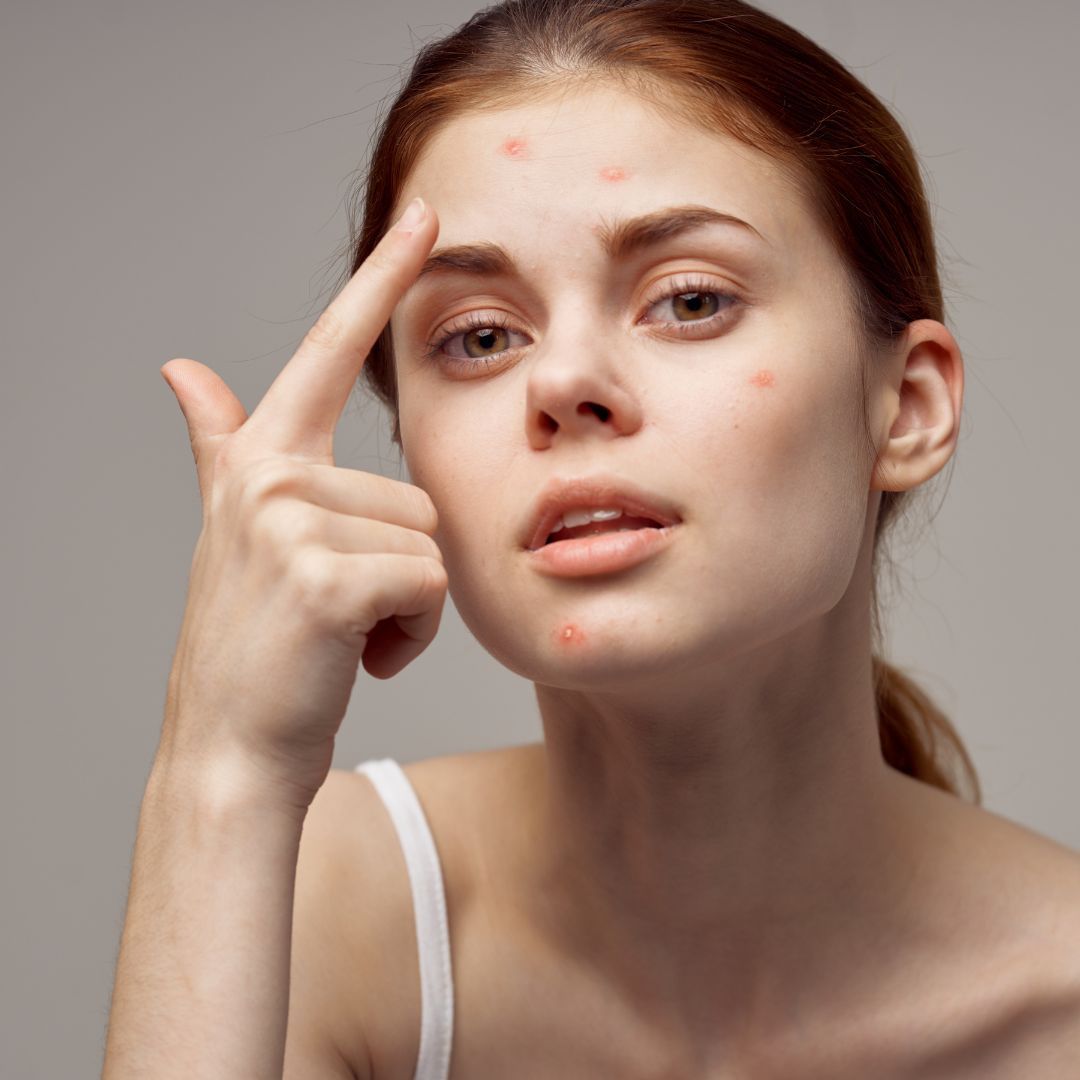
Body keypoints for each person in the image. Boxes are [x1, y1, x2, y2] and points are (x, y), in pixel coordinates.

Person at [102, 1, 1080, 1076]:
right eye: (480, 336)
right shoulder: (328, 906)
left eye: (690, 300)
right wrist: (222, 763)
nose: (563, 383)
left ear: (907, 407)